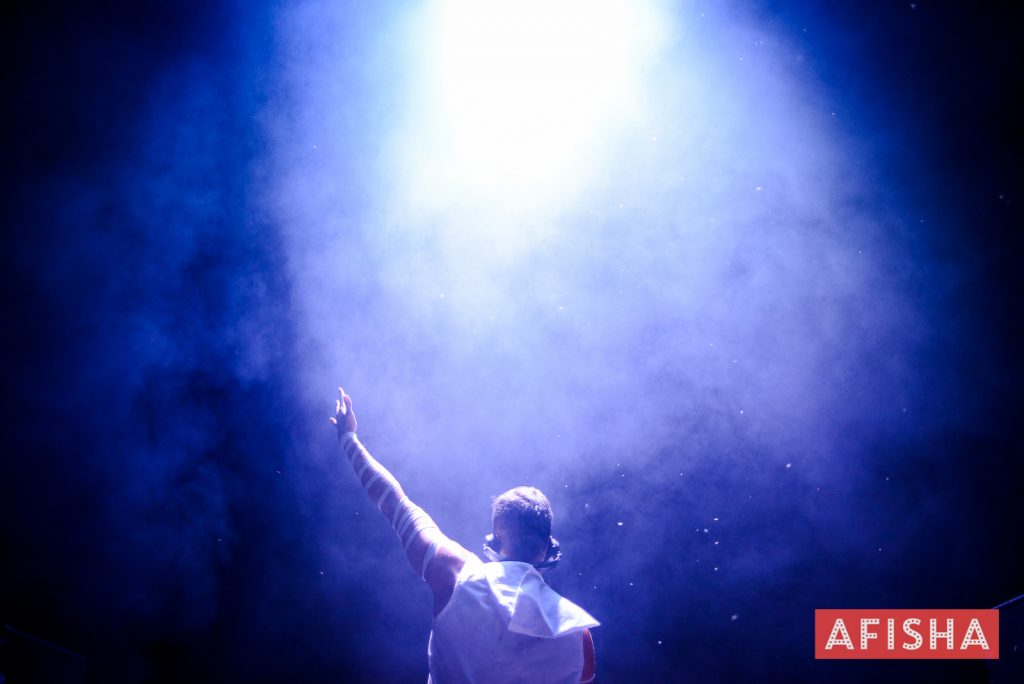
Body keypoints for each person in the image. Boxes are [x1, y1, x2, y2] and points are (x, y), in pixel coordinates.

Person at [330, 387, 599, 684]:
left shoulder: (455, 574)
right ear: (549, 548)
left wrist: (348, 439)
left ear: (494, 541)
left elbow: (395, 503)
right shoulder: (578, 635)